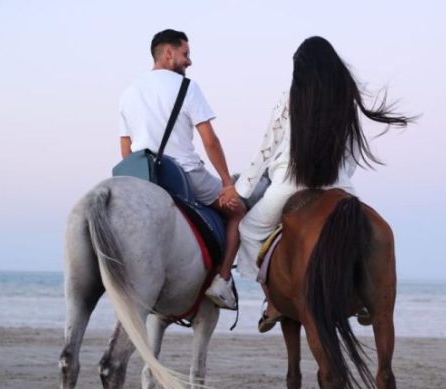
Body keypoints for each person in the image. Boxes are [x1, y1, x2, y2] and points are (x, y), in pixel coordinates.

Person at [232, 36, 414, 331]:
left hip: (288, 186)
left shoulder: (288, 98)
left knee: (249, 230)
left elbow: (266, 148)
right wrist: (340, 179)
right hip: (340, 187)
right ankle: (366, 299)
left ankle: (274, 301)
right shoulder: (345, 100)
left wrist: (241, 189)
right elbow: (354, 153)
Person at [119, 29, 245, 310]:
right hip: (185, 173)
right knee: (239, 212)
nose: (189, 62)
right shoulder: (188, 88)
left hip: (146, 178)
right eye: (185, 54)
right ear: (167, 52)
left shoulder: (128, 93)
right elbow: (210, 140)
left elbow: (125, 150)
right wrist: (227, 182)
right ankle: (222, 281)